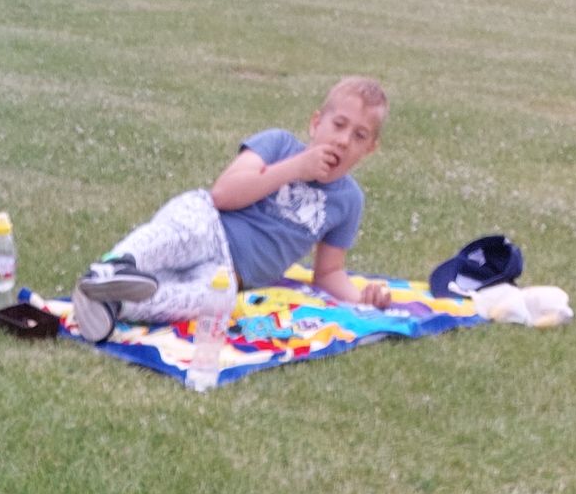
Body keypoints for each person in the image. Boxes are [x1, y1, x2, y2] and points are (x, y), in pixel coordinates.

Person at [72, 77, 393, 341]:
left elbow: (328, 273)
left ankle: (112, 304)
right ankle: (114, 267)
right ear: (315, 123)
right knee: (178, 236)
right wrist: (296, 168)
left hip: (228, 275)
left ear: (369, 149)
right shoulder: (279, 144)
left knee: (215, 301)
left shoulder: (348, 200)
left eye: (359, 136)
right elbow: (223, 195)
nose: (343, 140)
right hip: (210, 224)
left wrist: (361, 298)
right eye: (338, 125)